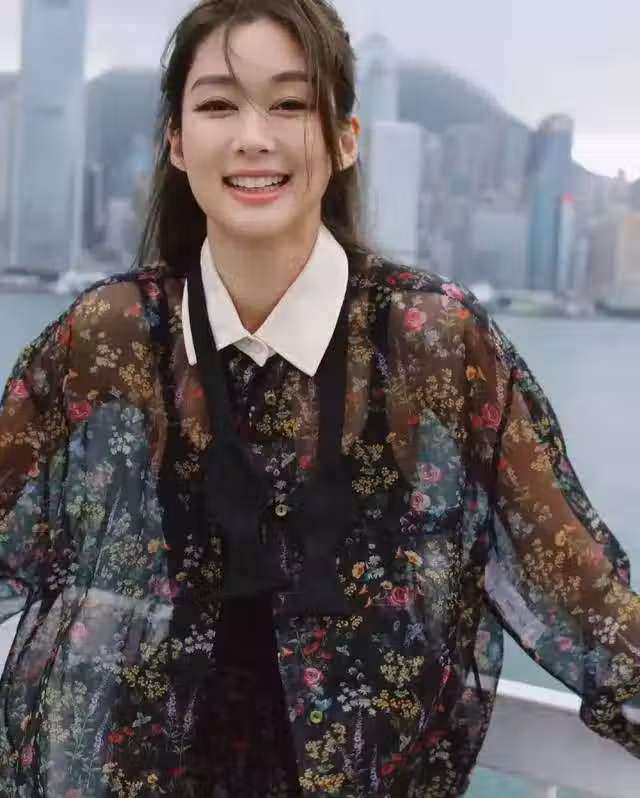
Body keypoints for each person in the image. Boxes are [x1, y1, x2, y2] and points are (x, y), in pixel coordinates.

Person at [0, 0, 639, 795]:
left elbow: (576, 591)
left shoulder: (429, 340)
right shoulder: (118, 334)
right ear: (177, 141)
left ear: (344, 140)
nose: (253, 137)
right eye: (218, 105)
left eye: (291, 104)